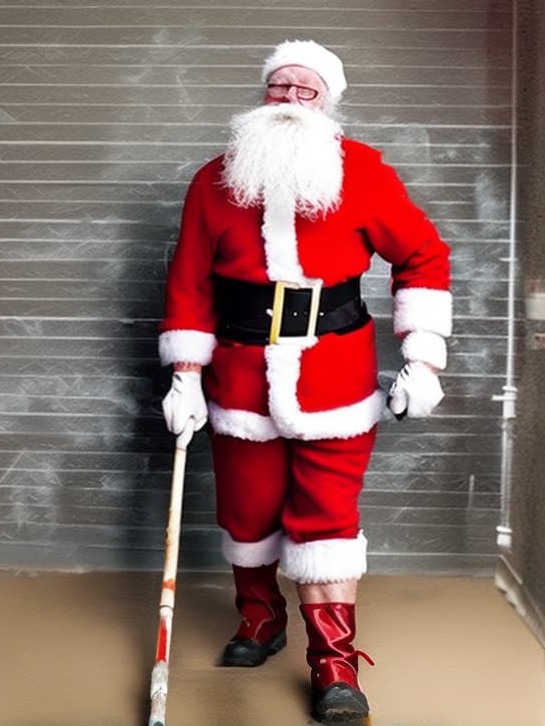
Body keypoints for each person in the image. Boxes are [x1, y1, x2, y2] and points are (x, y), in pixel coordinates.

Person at [158, 39, 451, 722]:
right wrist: (185, 376)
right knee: (249, 512)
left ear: (329, 101)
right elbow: (190, 284)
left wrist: (423, 356)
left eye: (305, 90)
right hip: (238, 379)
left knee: (328, 521)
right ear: (263, 95)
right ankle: (260, 621)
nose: (289, 100)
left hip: (335, 380)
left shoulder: (363, 173)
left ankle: (334, 663)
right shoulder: (214, 180)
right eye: (278, 87)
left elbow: (422, 256)